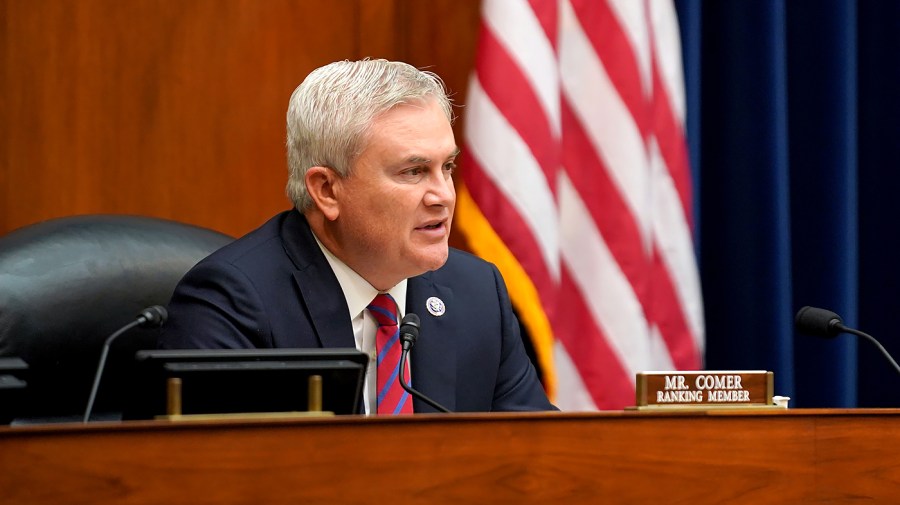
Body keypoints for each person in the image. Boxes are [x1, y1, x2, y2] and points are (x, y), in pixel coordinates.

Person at [160, 58, 556, 414]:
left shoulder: (477, 293)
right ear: (327, 190)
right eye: (413, 171)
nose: (443, 196)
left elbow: (539, 460)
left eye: (447, 167)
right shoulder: (232, 303)